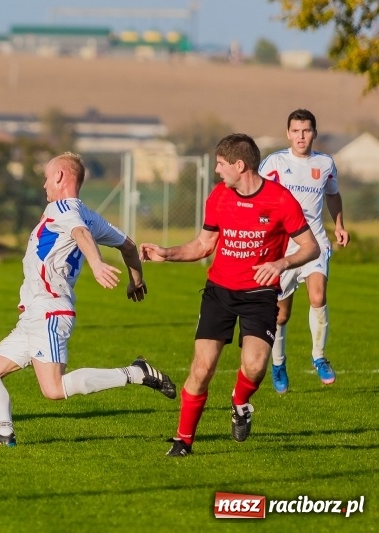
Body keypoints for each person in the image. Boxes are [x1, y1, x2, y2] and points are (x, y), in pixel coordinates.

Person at [0, 152, 175, 447]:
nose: (43, 185)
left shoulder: (63, 207)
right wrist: (137, 281)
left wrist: (96, 263)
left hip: (49, 310)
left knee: (53, 389)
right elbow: (128, 246)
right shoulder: (88, 214)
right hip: (33, 315)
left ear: (60, 177)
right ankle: (3, 433)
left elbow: (79, 233)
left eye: (45, 177)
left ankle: (135, 373)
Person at [140, 134, 320, 457]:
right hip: (219, 293)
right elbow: (202, 245)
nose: (218, 171)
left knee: (254, 366)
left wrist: (281, 262)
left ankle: (239, 403)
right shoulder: (219, 196)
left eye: (221, 165)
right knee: (202, 368)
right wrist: (166, 253)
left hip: (260, 295)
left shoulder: (280, 200)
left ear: (240, 165)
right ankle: (183, 441)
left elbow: (311, 247)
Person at [258, 109, 349, 393]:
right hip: (283, 246)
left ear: (314, 133)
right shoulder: (274, 162)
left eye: (306, 130)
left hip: (316, 242)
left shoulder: (324, 164)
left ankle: (319, 357)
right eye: (296, 131)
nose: (301, 136)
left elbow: (333, 194)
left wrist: (340, 225)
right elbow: (258, 195)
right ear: (288, 133)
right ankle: (278, 363)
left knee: (318, 296)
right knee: (280, 315)